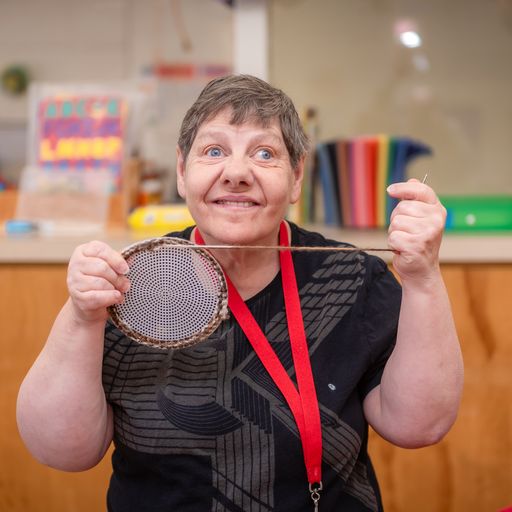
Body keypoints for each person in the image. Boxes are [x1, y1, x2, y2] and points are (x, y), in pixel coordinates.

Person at [17, 74, 463, 512]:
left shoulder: (351, 277)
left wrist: (424, 277)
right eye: (213, 151)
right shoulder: (132, 279)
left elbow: (418, 425)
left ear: (295, 178)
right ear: (181, 170)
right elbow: (63, 452)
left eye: (265, 154)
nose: (236, 173)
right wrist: (81, 316)